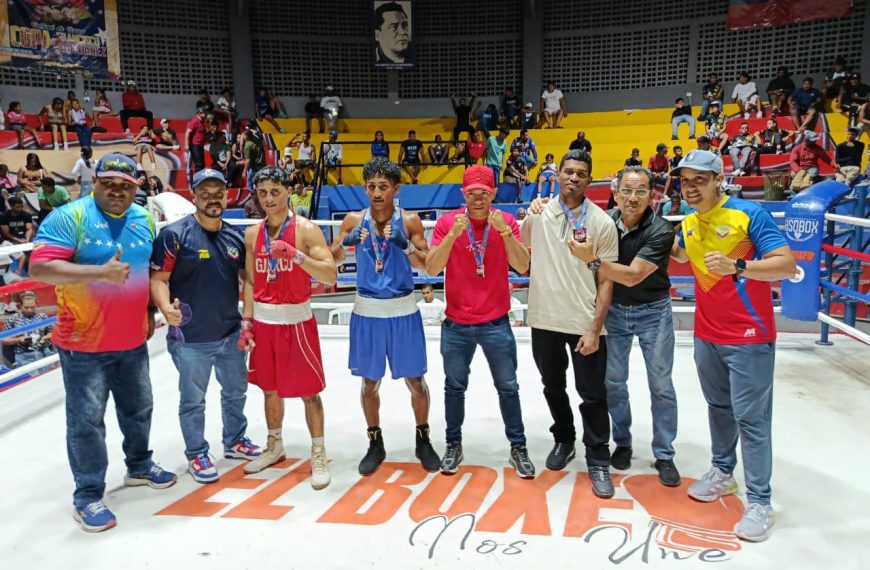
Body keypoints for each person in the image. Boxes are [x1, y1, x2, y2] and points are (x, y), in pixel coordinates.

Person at [30, 152, 178, 532]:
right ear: (94, 182)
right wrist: (99, 273)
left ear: (135, 189)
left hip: (132, 339)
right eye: (109, 183)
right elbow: (40, 267)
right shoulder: (70, 217)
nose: (117, 190)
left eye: (125, 185)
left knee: (139, 407)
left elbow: (145, 271)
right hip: (83, 344)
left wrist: (148, 311)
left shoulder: (144, 218)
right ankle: (88, 495)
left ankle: (139, 466)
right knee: (87, 421)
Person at [669, 149, 797, 542]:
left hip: (749, 337)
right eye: (685, 181)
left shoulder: (748, 214)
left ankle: (760, 501)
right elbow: (677, 253)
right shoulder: (689, 223)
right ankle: (723, 473)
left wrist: (739, 266)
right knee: (719, 409)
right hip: (707, 335)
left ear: (717, 180)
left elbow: (787, 265)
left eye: (699, 180)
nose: (690, 188)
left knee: (752, 420)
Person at [568, 165, 680, 487]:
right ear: (615, 193)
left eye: (641, 191)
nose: (632, 198)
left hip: (653, 311)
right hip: (615, 311)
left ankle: (665, 453)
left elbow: (631, 274)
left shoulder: (660, 230)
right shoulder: (605, 224)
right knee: (614, 382)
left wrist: (591, 260)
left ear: (651, 195)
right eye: (626, 191)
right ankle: (623, 442)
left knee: (660, 384)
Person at [150, 168, 261, 484]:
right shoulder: (175, 235)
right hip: (190, 338)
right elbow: (158, 279)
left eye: (218, 192)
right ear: (194, 196)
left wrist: (249, 322)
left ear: (226, 196)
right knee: (193, 400)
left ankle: (235, 440)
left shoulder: (235, 237)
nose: (213, 198)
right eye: (205, 192)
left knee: (236, 391)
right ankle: (197, 453)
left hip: (230, 334)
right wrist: (164, 308)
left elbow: (249, 280)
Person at [331, 157, 439, 475]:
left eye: (383, 186)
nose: (377, 193)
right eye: (371, 186)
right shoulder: (353, 220)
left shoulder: (410, 221)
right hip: (367, 312)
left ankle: (423, 439)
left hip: (403, 311)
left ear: (396, 188)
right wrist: (345, 244)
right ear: (365, 188)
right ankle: (375, 442)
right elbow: (331, 260)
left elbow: (427, 264)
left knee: (416, 382)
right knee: (369, 383)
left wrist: (404, 245)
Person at [425, 165, 534, 478]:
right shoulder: (448, 223)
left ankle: (518, 446)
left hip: (496, 321)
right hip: (456, 322)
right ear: (463, 194)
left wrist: (502, 231)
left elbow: (523, 265)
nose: (477, 198)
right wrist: (453, 236)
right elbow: (432, 267)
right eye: (471, 192)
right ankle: (453, 444)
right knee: (454, 388)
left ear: (493, 194)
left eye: (483, 193)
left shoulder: (507, 222)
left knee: (508, 387)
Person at [522, 150, 618, 497]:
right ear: (557, 175)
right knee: (552, 386)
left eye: (581, 173)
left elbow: (607, 280)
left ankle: (597, 458)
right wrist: (529, 211)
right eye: (568, 171)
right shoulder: (539, 214)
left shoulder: (603, 222)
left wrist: (595, 327)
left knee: (592, 394)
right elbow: (520, 255)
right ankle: (564, 439)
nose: (574, 178)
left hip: (584, 322)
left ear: (589, 180)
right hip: (545, 319)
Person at [238, 167, 337, 492]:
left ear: (288, 192)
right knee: (269, 389)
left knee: (309, 393)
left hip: (296, 322)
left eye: (275, 191)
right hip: (265, 324)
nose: (268, 198)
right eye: (262, 192)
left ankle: (318, 452)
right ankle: (275, 445)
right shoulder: (253, 234)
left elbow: (330, 275)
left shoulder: (307, 230)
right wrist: (247, 322)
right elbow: (252, 281)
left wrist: (296, 255)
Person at [2, 290, 55, 368]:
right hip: (24, 357)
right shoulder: (13, 319)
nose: (29, 310)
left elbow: (53, 332)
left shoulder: (42, 317)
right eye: (26, 307)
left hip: (44, 352)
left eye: (32, 307)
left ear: (37, 304)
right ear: (19, 305)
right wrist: (19, 339)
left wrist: (45, 338)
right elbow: (3, 338)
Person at [186, 107, 210, 174]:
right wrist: (186, 145)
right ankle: (197, 181)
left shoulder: (202, 122)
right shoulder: (195, 121)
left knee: (202, 164)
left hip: (200, 145)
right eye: (205, 113)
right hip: (195, 145)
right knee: (199, 164)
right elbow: (187, 132)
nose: (206, 115)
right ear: (201, 114)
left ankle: (200, 179)